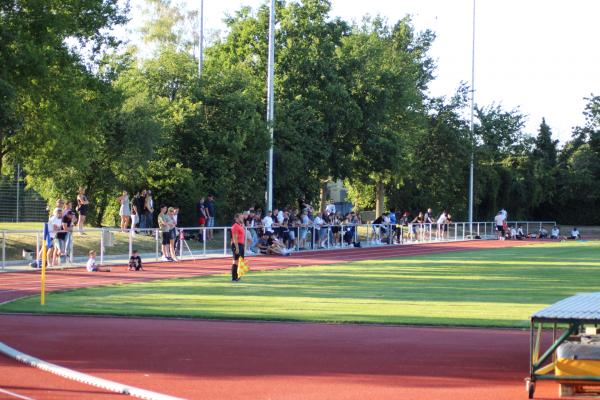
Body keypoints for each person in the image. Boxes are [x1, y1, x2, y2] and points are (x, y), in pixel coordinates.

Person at [230, 213, 246, 281]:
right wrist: (236, 248)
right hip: (237, 245)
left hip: (241, 245)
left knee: (241, 261)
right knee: (236, 261)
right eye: (241, 217)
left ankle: (238, 277)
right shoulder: (235, 226)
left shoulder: (240, 226)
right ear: (236, 218)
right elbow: (235, 238)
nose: (242, 218)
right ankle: (234, 278)